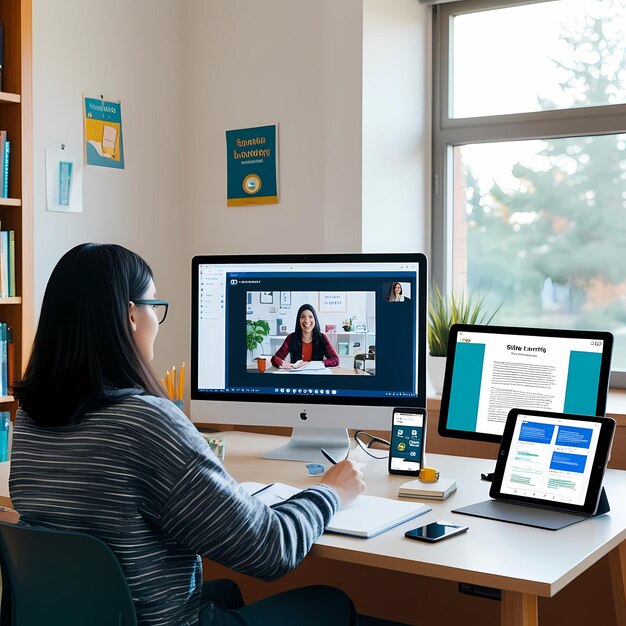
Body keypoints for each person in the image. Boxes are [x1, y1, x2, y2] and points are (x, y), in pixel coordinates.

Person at [9, 243, 364, 626]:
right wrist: (331, 492)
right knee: (331, 601)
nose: (156, 323)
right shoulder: (146, 422)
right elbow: (269, 549)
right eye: (153, 307)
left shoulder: (30, 416)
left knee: (226, 591)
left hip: (90, 613)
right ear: (131, 314)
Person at [271, 303, 340, 369]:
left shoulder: (322, 338)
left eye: (310, 317)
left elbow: (335, 360)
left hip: (316, 377)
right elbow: (275, 359)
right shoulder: (291, 338)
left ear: (315, 319)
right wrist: (287, 365)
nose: (307, 320)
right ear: (298, 320)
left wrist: (316, 364)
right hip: (297, 377)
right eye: (302, 317)